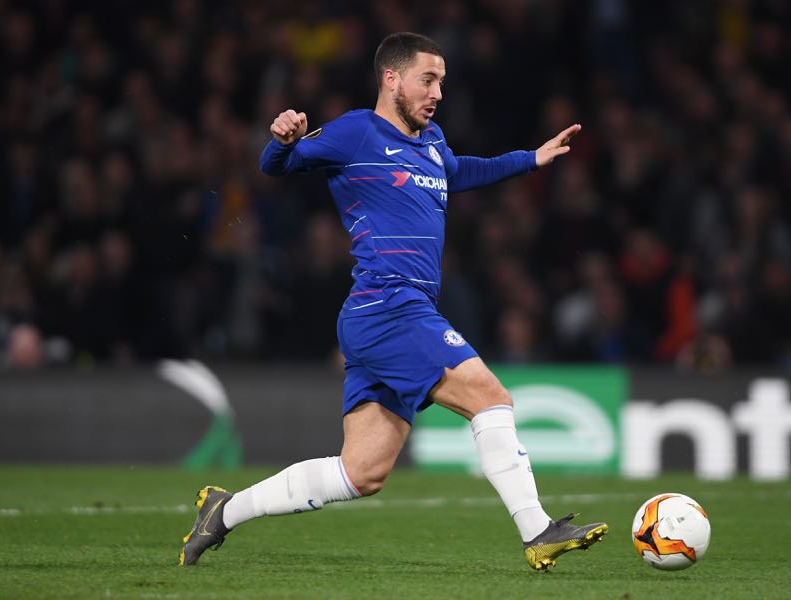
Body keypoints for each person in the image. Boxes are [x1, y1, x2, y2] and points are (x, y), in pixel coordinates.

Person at [179, 32, 608, 572]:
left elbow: (459, 171)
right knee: (490, 398)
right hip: (389, 306)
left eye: (442, 83)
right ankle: (538, 530)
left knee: (362, 473)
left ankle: (224, 510)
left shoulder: (432, 141)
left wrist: (530, 159)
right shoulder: (357, 133)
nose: (437, 93)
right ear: (392, 78)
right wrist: (283, 139)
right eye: (428, 80)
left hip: (385, 316)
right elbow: (275, 166)